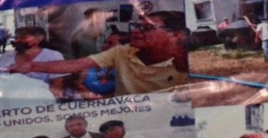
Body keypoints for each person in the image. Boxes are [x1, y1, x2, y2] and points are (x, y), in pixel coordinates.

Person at [16, 14, 189, 95]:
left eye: (147, 28)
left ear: (176, 34)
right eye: (137, 26)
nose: (136, 31)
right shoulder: (122, 51)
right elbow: (74, 65)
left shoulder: (187, 61)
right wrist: (31, 66)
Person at [0, 26, 65, 92]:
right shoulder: (7, 56)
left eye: (23, 38)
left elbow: (56, 87)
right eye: (16, 38)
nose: (16, 41)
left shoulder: (53, 56)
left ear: (38, 39)